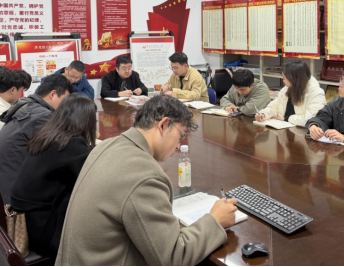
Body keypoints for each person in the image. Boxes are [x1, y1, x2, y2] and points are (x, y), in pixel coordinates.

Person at [56, 95, 239, 266]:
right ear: (164, 125)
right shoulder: (144, 175)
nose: (178, 146)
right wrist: (215, 220)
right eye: (181, 136)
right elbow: (173, 257)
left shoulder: (106, 146)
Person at [11, 94, 98, 262]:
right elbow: (91, 179)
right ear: (84, 121)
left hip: (26, 220)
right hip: (44, 231)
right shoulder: (71, 144)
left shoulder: (47, 134)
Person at [0, 74, 73, 204]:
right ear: (53, 94)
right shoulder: (42, 116)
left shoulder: (29, 107)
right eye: (64, 100)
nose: (65, 106)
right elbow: (59, 152)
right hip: (10, 198)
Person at [255, 60, 326, 127]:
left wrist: (286, 119)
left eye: (284, 76)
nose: (282, 78)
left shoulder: (317, 93)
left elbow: (311, 119)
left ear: (295, 78)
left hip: (302, 132)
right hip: (283, 128)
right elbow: (274, 107)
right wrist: (263, 114)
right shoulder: (286, 89)